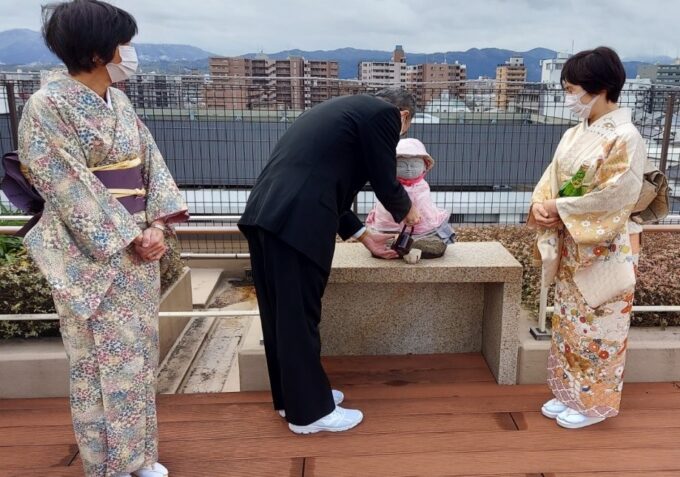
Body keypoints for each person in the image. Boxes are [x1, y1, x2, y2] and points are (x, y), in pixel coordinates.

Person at [17, 1, 188, 475]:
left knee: (136, 358)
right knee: (98, 364)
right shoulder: (47, 106)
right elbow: (64, 183)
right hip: (91, 257)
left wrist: (157, 225)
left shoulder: (119, 99)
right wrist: (131, 235)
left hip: (138, 250)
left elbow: (150, 164)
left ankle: (139, 456)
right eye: (124, 43)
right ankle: (108, 464)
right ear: (98, 52)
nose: (130, 53)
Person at [238, 88, 421, 434]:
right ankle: (309, 414)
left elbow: (331, 187)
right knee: (298, 316)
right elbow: (385, 181)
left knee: (280, 315)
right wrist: (408, 209)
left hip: (267, 214)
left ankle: (293, 399)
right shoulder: (384, 115)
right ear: (404, 116)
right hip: (297, 222)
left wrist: (365, 237)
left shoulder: (340, 113)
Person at [528, 47, 645, 429]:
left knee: (599, 328)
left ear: (600, 88)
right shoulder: (574, 134)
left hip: (602, 249)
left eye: (572, 89)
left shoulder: (625, 137)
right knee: (570, 325)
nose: (569, 98)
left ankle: (593, 403)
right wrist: (544, 204)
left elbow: (616, 196)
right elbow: (551, 179)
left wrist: (560, 209)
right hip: (572, 243)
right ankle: (569, 392)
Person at [366, 137, 455, 246]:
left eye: (414, 165)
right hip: (389, 224)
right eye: (401, 165)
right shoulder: (390, 186)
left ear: (424, 166)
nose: (409, 169)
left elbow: (424, 207)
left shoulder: (422, 186)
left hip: (420, 225)